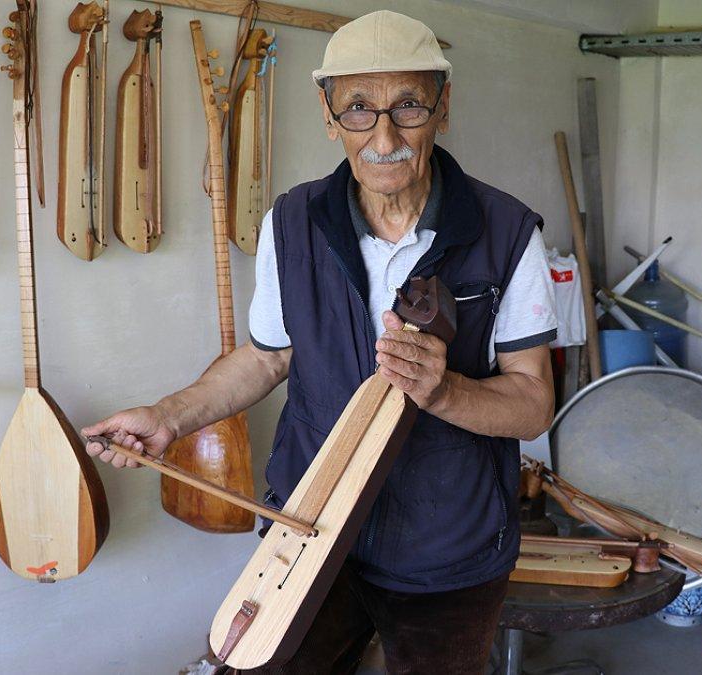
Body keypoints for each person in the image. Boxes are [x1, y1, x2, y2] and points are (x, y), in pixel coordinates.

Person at [84, 10, 557, 674]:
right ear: (328, 114)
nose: (384, 135)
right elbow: (265, 356)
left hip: (447, 549)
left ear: (443, 107)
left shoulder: (507, 231)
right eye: (358, 108)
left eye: (409, 106)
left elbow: (534, 402)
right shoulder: (293, 222)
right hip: (308, 529)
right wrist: (167, 418)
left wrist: (443, 390)